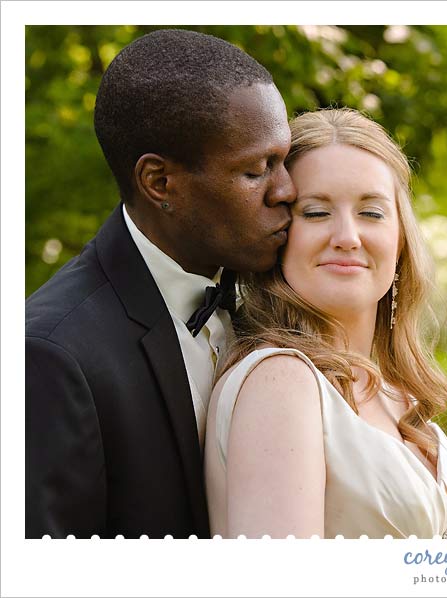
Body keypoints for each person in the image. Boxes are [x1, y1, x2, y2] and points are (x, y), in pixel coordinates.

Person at [25, 29, 296, 538]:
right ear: (160, 183)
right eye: (258, 170)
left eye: (285, 160)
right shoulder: (49, 356)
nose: (288, 191)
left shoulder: (279, 298)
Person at [204, 108, 447, 539]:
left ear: (400, 238)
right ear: (278, 234)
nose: (348, 236)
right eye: (315, 213)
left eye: (371, 213)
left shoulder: (395, 393)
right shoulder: (281, 382)